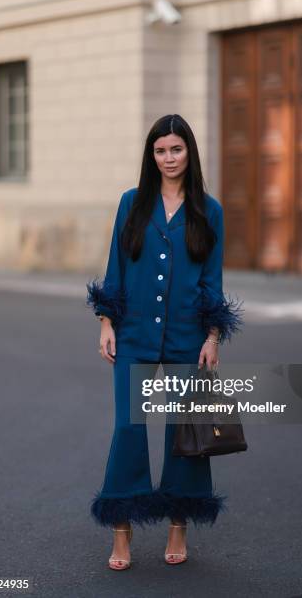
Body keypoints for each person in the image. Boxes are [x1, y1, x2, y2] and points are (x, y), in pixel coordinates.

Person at [86, 114, 243, 570]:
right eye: (160, 150)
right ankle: (121, 530)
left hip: (186, 338)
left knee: (184, 433)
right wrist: (106, 322)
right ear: (150, 156)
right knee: (127, 430)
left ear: (189, 152)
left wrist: (213, 335)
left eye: (176, 149)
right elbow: (115, 265)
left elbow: (212, 279)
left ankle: (179, 524)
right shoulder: (131, 203)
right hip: (133, 334)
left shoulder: (208, 210)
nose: (168, 158)